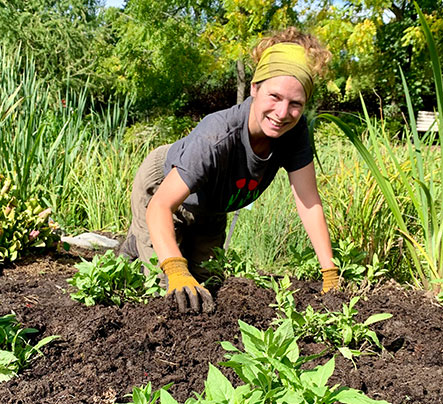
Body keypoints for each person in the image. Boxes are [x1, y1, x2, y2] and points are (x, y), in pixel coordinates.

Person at [120, 26, 338, 313]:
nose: (283, 113)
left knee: (210, 284)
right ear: (255, 89)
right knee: (170, 289)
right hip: (163, 187)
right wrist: (175, 270)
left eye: (295, 104)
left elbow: (309, 203)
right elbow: (161, 205)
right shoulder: (217, 135)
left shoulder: (293, 134)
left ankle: (150, 244)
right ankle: (136, 246)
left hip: (212, 207)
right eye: (274, 96)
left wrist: (330, 274)